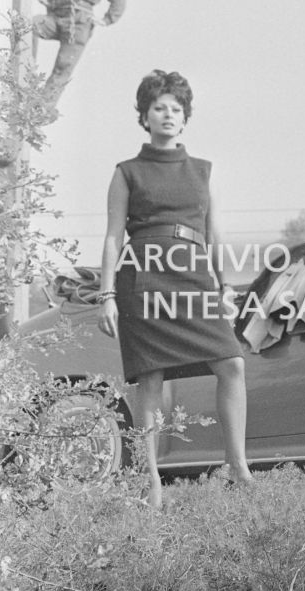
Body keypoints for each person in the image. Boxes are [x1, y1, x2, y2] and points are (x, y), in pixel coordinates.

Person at [98, 70, 252, 508]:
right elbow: (113, 236)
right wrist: (106, 295)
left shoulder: (202, 171)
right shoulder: (126, 172)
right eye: (159, 108)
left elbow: (215, 233)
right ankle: (151, 483)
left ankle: (238, 468)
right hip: (143, 277)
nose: (168, 115)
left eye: (176, 109)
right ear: (144, 116)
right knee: (150, 378)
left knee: (232, 363)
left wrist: (225, 284)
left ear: (185, 118)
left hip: (193, 275)